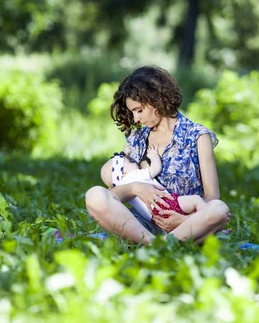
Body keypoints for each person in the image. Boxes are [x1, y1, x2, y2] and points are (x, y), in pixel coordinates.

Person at [85, 65, 230, 244]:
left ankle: (163, 243)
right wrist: (135, 188)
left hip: (187, 222)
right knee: (94, 195)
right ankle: (156, 245)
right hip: (141, 226)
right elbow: (114, 192)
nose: (136, 119)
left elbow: (211, 196)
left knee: (219, 209)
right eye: (132, 112)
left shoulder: (197, 136)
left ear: (156, 99)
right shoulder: (136, 139)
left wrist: (182, 220)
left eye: (139, 110)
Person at [101, 145, 207, 222]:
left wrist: (126, 154)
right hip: (167, 203)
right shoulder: (134, 176)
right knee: (196, 201)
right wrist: (154, 156)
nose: (135, 162)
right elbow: (156, 168)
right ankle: (208, 220)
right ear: (123, 173)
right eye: (131, 162)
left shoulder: (122, 187)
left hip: (156, 218)